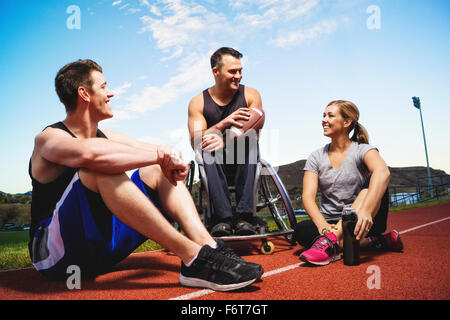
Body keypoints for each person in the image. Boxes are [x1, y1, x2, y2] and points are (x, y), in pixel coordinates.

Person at [28, 59, 263, 291]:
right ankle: (194, 258)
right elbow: (89, 154)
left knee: (155, 169)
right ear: (84, 94)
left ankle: (210, 248)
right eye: (103, 87)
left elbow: (158, 152)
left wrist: (170, 158)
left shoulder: (108, 135)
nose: (111, 93)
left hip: (103, 251)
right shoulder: (49, 138)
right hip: (56, 256)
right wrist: (161, 154)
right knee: (100, 168)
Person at [294, 100, 403, 266]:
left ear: (346, 122)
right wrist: (323, 226)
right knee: (301, 231)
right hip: (330, 220)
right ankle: (374, 242)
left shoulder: (363, 150)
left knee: (368, 190)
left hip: (363, 219)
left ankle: (329, 242)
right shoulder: (316, 156)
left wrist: (366, 211)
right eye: (323, 115)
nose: (324, 120)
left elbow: (383, 172)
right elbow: (308, 197)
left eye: (330, 115)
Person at [188, 47, 264, 237]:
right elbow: (195, 140)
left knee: (250, 142)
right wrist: (223, 123)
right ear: (216, 72)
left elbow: (258, 125)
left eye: (240, 71)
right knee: (205, 146)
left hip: (244, 158)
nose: (238, 76)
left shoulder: (250, 95)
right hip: (213, 162)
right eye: (232, 71)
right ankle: (222, 219)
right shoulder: (198, 102)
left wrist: (225, 142)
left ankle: (245, 217)